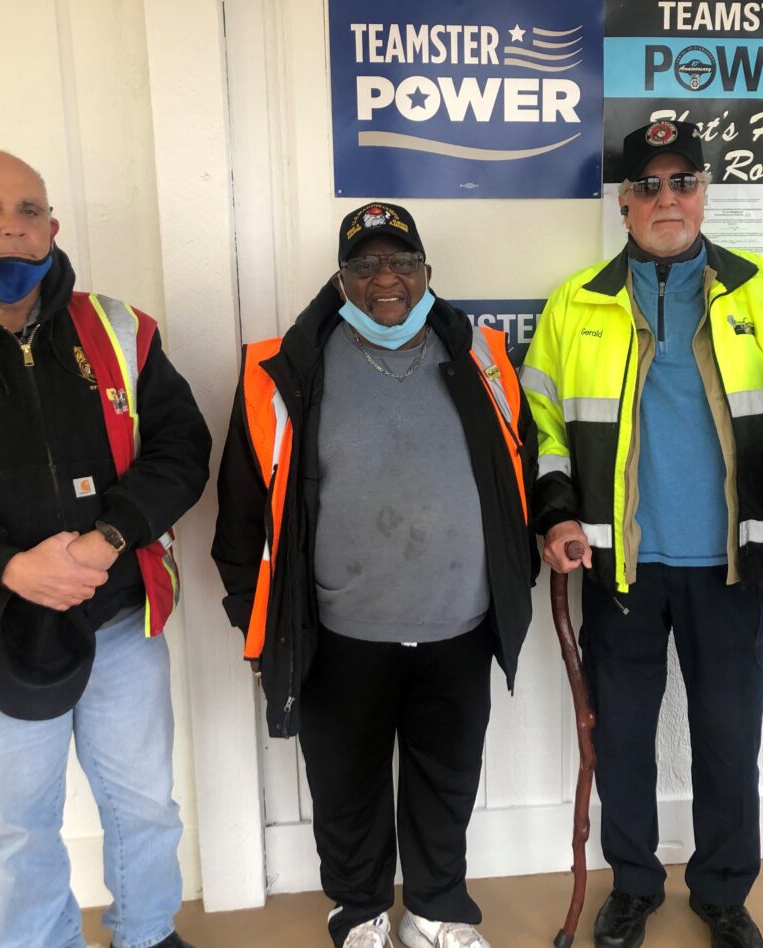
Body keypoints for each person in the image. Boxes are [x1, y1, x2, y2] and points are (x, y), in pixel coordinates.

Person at [0, 150, 210, 948]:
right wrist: (11, 564)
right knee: (20, 828)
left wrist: (108, 539)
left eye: (29, 212)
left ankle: (148, 933)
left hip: (117, 616)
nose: (11, 231)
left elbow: (180, 449)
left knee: (145, 804)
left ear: (52, 225)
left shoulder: (121, 328)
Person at [521, 121, 763, 948]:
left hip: (732, 564)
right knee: (621, 741)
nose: (667, 198)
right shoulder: (575, 302)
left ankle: (723, 891)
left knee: (729, 738)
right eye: (648, 185)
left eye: (682, 180)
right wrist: (555, 512)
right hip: (619, 568)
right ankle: (636, 886)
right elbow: (541, 421)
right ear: (622, 202)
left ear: (704, 191)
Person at [211, 203, 537, 948]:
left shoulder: (482, 355)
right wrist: (253, 614)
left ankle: (437, 911)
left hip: (459, 620)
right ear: (341, 279)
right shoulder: (281, 367)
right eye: (364, 266)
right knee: (345, 785)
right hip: (339, 631)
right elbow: (239, 511)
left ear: (427, 272)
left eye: (402, 263)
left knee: (447, 778)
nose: (385, 279)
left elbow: (514, 467)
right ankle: (358, 911)